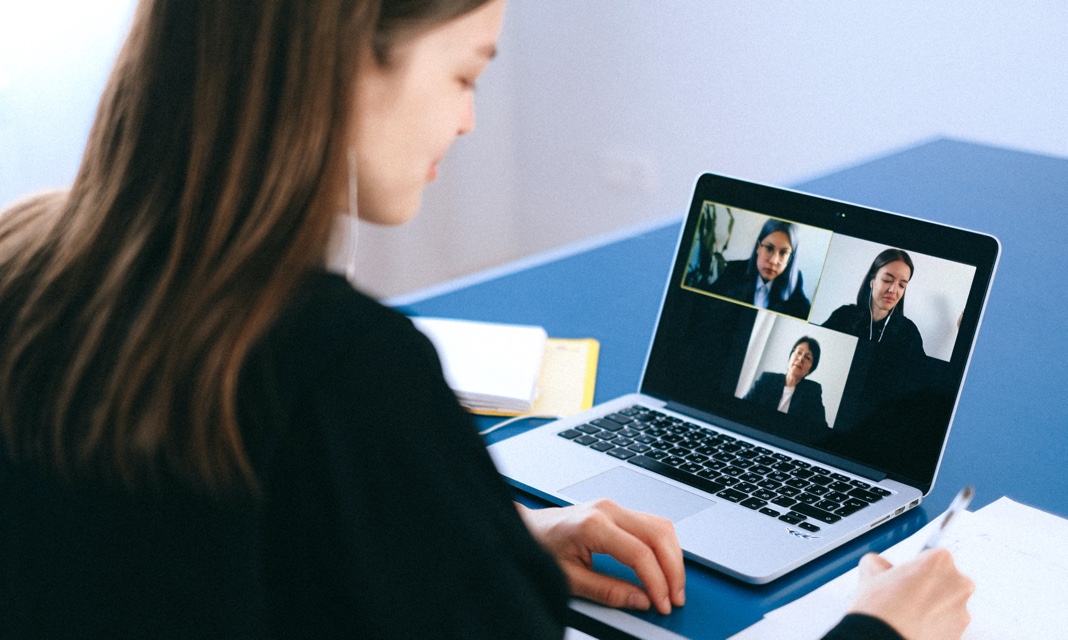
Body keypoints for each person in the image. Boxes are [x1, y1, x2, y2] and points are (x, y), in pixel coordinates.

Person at [0, 1, 972, 638]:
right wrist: (877, 630)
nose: (467, 121)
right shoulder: (343, 370)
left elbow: (186, 548)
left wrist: (491, 536)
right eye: (466, 73)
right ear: (343, 56)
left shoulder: (26, 260)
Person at [822, 248, 925, 355]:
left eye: (902, 285)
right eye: (887, 280)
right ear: (872, 280)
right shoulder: (843, 316)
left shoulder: (908, 332)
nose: (893, 290)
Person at [709, 218, 812, 320]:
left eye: (783, 253)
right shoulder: (734, 270)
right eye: (769, 248)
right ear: (758, 247)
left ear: (790, 258)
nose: (773, 260)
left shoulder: (794, 281)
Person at [744, 336, 828, 428]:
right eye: (799, 352)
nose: (800, 359)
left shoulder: (812, 391)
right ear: (790, 356)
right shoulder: (767, 379)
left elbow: (820, 428)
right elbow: (743, 407)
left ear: (810, 369)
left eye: (807, 358)